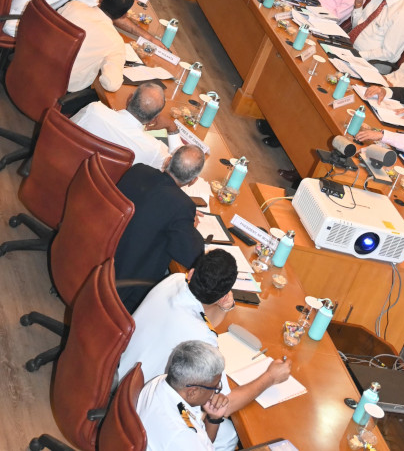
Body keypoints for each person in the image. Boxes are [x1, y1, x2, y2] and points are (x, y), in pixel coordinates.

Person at [117, 251, 291, 451]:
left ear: (191, 273)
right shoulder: (201, 336)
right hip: (145, 407)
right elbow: (224, 403)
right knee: (229, 434)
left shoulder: (174, 280)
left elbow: (201, 317)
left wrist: (223, 309)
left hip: (127, 381)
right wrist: (270, 377)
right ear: (224, 295)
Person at [114, 146, 206, 312]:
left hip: (94, 255)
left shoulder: (138, 170)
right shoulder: (182, 206)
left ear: (168, 161)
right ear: (193, 181)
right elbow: (191, 256)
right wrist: (190, 225)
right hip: (120, 286)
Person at [136, 340, 229, 451]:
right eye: (214, 387)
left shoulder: (159, 381)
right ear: (192, 392)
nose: (217, 389)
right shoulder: (182, 434)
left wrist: (214, 418)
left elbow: (203, 440)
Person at [71, 81, 183, 161]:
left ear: (129, 99)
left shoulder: (94, 109)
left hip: (63, 164)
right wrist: (172, 128)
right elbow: (180, 168)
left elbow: (66, 129)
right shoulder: (153, 150)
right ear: (153, 119)